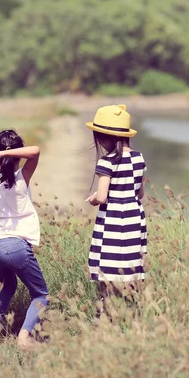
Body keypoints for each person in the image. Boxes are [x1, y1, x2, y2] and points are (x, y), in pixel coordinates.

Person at [0, 129, 48, 351]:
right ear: (15, 157)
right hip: (16, 247)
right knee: (40, 294)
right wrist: (5, 155)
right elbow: (35, 151)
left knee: (8, 285)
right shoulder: (21, 177)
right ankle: (24, 338)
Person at [84, 104, 147, 310]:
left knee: (107, 267)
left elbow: (102, 197)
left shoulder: (107, 162)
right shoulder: (139, 159)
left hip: (112, 219)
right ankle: (134, 309)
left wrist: (94, 199)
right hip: (133, 217)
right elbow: (140, 193)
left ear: (105, 137)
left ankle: (106, 311)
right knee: (131, 264)